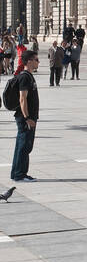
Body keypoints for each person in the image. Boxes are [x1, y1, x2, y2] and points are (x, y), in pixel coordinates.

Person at [10, 50, 40, 183]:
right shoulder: (25, 77)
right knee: (24, 146)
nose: (38, 62)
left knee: (22, 146)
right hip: (25, 118)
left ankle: (17, 173)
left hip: (27, 117)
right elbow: (23, 99)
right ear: (29, 61)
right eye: (36, 60)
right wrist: (28, 118)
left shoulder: (28, 76)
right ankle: (20, 174)